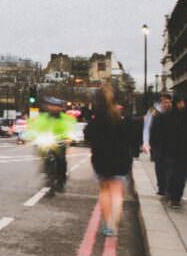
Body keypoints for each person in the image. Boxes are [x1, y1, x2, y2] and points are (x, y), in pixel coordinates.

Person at [84, 85, 135, 237]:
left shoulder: (97, 118)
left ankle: (108, 225)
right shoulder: (121, 117)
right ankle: (115, 221)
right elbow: (131, 136)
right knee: (117, 190)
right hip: (121, 158)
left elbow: (88, 135)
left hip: (101, 159)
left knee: (105, 191)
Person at [26, 96, 75, 193]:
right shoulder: (42, 117)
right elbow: (34, 127)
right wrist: (31, 136)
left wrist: (68, 137)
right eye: (51, 106)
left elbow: (69, 128)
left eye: (56, 106)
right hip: (46, 142)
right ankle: (48, 176)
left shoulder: (66, 119)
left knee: (61, 161)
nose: (53, 108)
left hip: (59, 143)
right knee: (45, 158)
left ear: (61, 108)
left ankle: (61, 181)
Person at [143, 93, 174, 196]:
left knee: (169, 166)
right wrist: (148, 143)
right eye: (164, 102)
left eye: (168, 102)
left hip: (170, 145)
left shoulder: (174, 114)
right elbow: (149, 129)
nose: (167, 104)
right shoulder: (155, 113)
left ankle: (168, 187)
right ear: (161, 103)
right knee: (160, 167)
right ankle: (161, 187)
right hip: (159, 145)